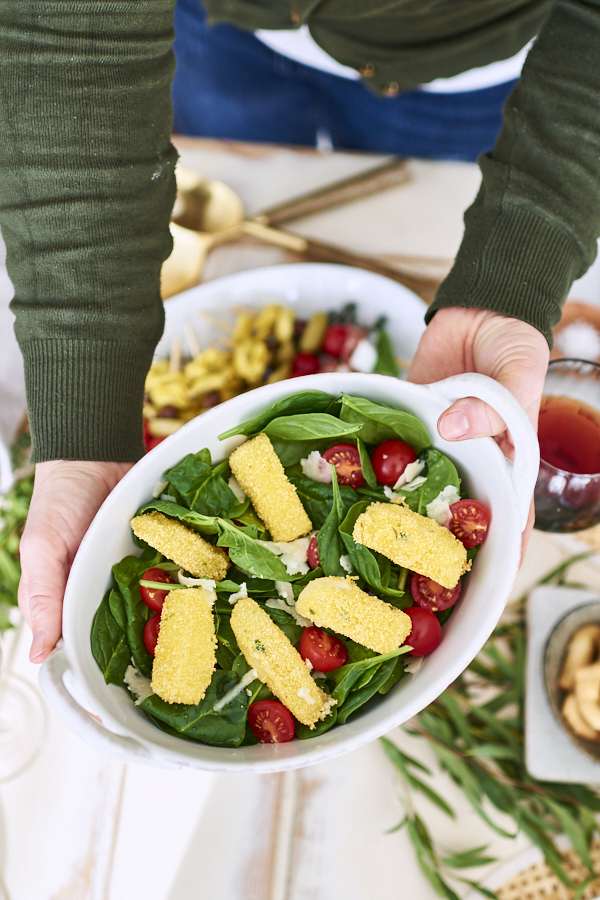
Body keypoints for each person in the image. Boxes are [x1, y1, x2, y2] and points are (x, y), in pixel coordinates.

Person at [5, 0, 598, 665]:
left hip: (462, 58)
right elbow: (69, 32)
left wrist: (518, 260)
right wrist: (84, 416)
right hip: (217, 29)